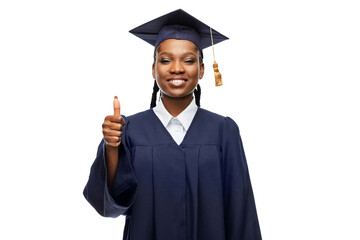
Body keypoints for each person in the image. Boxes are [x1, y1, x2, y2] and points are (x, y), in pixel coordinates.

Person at [83, 9, 262, 240]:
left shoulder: (223, 131)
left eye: (188, 60)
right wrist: (112, 147)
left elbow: (241, 213)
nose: (177, 68)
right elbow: (110, 207)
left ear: (202, 70)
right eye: (165, 60)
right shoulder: (129, 130)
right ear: (153, 69)